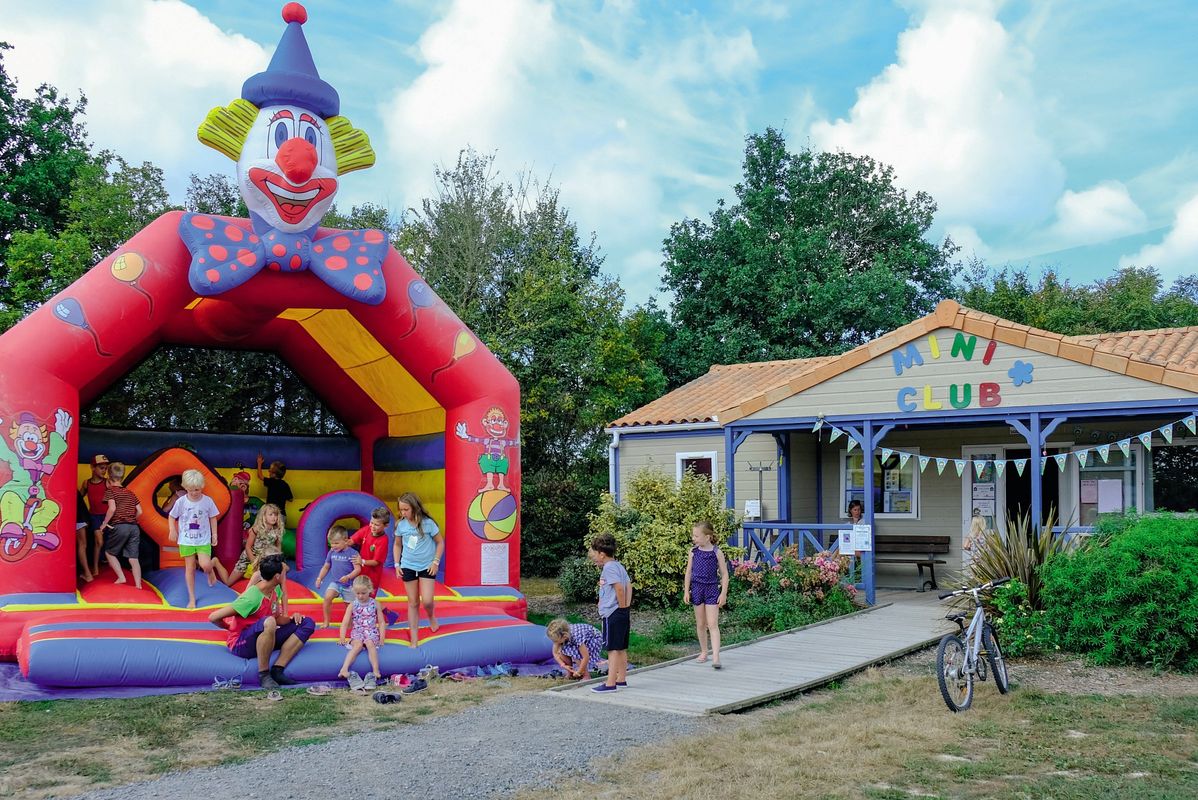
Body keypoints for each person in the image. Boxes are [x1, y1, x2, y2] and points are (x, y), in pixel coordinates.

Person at [208, 554, 313, 690]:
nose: (286, 574)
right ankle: (264, 675)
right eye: (284, 572)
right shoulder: (252, 597)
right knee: (268, 622)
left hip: (265, 633)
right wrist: (229, 627)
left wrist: (293, 618)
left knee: (307, 623)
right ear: (277, 577)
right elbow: (213, 617)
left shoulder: (275, 589)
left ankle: (277, 670)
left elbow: (277, 618)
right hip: (241, 643)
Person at [392, 493, 444, 647]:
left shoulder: (428, 523)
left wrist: (435, 562)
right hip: (408, 565)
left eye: (406, 509)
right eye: (401, 510)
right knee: (413, 602)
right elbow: (397, 545)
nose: (403, 513)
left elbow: (440, 543)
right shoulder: (401, 525)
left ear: (414, 508)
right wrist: (397, 564)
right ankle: (414, 637)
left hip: (427, 565)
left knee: (427, 600)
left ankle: (431, 616)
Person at [168, 469, 222, 609]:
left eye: (197, 489)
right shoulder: (181, 501)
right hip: (186, 540)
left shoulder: (207, 501)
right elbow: (172, 516)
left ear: (202, 486)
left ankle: (210, 569)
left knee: (205, 565)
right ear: (185, 487)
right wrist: (173, 530)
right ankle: (192, 598)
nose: (194, 492)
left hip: (203, 539)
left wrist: (214, 535)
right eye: (191, 490)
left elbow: (213, 517)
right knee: (190, 568)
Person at [588, 533, 631, 693]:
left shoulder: (609, 568)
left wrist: (620, 607)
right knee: (620, 647)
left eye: (595, 553)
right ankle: (621, 679)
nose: (594, 558)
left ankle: (610, 683)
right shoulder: (619, 566)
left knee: (612, 649)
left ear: (602, 553)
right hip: (621, 611)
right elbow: (629, 586)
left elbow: (619, 588)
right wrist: (626, 606)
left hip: (613, 613)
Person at [683, 521, 729, 669]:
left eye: (696, 536)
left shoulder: (717, 552)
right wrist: (686, 590)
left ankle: (716, 656)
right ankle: (704, 651)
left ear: (707, 537)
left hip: (711, 589)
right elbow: (688, 572)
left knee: (712, 624)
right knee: (701, 624)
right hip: (697, 588)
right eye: (693, 535)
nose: (693, 538)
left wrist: (723, 593)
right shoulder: (693, 552)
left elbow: (724, 574)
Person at [97, 461, 143, 589]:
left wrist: (104, 524)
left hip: (120, 526)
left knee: (110, 553)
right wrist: (132, 519)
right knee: (133, 558)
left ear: (109, 478)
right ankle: (138, 585)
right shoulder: (130, 493)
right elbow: (140, 511)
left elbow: (111, 509)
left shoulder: (111, 491)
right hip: (134, 527)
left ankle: (122, 577)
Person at [337, 575, 386, 688]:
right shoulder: (352, 605)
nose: (360, 596)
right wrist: (342, 638)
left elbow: (382, 622)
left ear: (370, 590)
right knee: (357, 645)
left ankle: (375, 670)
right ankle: (344, 669)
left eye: (363, 593)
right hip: (357, 632)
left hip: (371, 632)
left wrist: (382, 639)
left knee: (369, 643)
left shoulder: (375, 604)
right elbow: (344, 623)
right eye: (357, 593)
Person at [227, 503, 285, 586]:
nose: (274, 517)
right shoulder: (257, 529)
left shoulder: (277, 530)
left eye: (275, 515)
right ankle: (216, 562)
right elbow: (248, 547)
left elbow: (278, 546)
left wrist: (278, 560)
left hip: (265, 558)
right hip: (249, 556)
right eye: (270, 515)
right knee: (229, 582)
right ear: (264, 516)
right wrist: (254, 562)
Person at [316, 525, 360, 627]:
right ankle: (326, 621)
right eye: (331, 543)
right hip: (336, 583)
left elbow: (358, 569)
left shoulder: (353, 553)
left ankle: (350, 626)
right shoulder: (332, 552)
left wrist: (348, 576)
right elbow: (326, 566)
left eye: (336, 543)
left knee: (349, 608)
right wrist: (319, 578)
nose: (333, 546)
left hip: (349, 585)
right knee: (327, 597)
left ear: (345, 540)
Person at [351, 506, 391, 595]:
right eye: (371, 522)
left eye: (376, 524)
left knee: (369, 598)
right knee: (359, 595)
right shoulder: (367, 529)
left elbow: (376, 562)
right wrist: (342, 543)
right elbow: (352, 540)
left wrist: (362, 561)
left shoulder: (383, 540)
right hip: (361, 572)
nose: (372, 526)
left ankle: (381, 609)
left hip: (373, 575)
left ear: (386, 525)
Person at [80, 454, 109, 576]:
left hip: (107, 516)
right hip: (95, 516)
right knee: (99, 541)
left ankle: (103, 561)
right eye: (101, 468)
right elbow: (79, 498)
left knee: (106, 542)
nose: (104, 470)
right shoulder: (87, 483)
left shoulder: (107, 483)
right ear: (92, 468)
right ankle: (95, 567)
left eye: (105, 468)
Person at [255, 453, 293, 523]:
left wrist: (259, 463)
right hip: (281, 515)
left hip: (271, 514)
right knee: (278, 533)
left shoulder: (271, 482)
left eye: (270, 470)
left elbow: (260, 476)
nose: (268, 471)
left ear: (273, 474)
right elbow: (290, 499)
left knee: (268, 532)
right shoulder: (285, 485)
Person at [75, 491, 93, 582]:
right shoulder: (76, 491)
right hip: (82, 519)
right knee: (82, 545)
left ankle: (87, 573)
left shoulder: (72, 491)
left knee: (82, 545)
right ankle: (87, 573)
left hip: (79, 519)